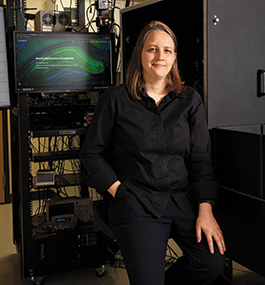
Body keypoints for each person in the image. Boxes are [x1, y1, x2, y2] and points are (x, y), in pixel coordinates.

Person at [79, 21, 226, 285]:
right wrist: (118, 191)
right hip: (137, 200)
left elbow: (201, 159)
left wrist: (206, 208)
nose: (160, 57)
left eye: (167, 50)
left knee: (211, 262)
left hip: (181, 199)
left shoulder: (190, 100)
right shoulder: (114, 100)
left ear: (175, 57)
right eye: (152, 49)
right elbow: (91, 154)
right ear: (140, 55)